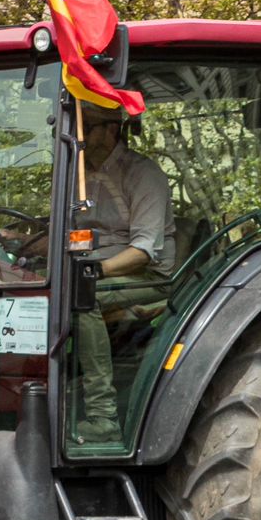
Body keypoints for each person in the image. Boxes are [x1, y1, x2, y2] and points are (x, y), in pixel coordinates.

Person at [73, 105, 174, 444]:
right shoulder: (79, 175)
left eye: (87, 126)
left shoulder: (143, 174)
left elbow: (143, 252)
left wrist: (95, 271)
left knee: (83, 297)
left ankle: (103, 416)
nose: (79, 134)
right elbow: (74, 235)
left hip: (147, 279)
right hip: (93, 269)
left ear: (111, 129)